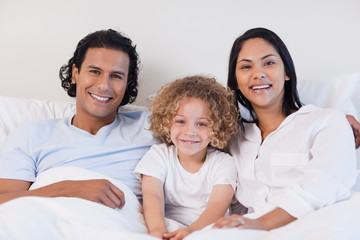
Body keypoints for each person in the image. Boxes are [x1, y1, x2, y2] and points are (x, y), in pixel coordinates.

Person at [209, 27, 358, 231]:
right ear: (236, 80)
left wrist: (262, 223)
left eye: (269, 63)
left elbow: (326, 184)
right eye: (246, 67)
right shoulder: (232, 136)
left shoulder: (327, 122)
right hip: (247, 228)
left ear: (286, 72)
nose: (258, 74)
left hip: (316, 224)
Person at [0, 29, 155, 207]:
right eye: (95, 71)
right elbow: (4, 204)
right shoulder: (31, 135)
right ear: (75, 73)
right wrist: (65, 189)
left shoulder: (152, 127)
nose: (104, 85)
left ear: (127, 82)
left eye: (116, 76)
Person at [134, 76, 239, 239]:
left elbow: (217, 205)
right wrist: (157, 230)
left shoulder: (224, 163)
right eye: (180, 121)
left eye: (202, 124)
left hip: (206, 230)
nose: (190, 132)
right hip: (167, 226)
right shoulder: (158, 155)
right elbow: (152, 195)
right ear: (166, 122)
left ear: (217, 127)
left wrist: (191, 232)